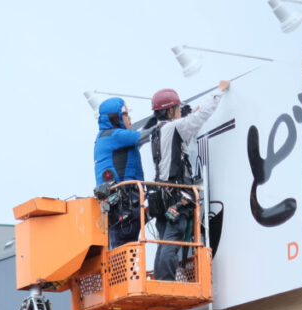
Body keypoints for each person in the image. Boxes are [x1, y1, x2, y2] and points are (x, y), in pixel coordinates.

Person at [150, 81, 229, 280]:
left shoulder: (157, 132)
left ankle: (161, 280)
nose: (178, 113)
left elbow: (187, 122)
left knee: (164, 241)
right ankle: (167, 282)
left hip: (161, 194)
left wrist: (188, 112)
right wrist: (218, 92)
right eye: (176, 109)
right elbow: (199, 118)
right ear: (169, 112)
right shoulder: (175, 127)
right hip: (177, 194)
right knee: (173, 238)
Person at [94, 98, 149, 249]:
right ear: (115, 117)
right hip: (124, 205)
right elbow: (144, 136)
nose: (129, 118)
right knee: (124, 251)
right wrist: (167, 123)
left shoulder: (107, 137)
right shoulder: (114, 135)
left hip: (124, 205)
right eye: (125, 115)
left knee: (124, 249)